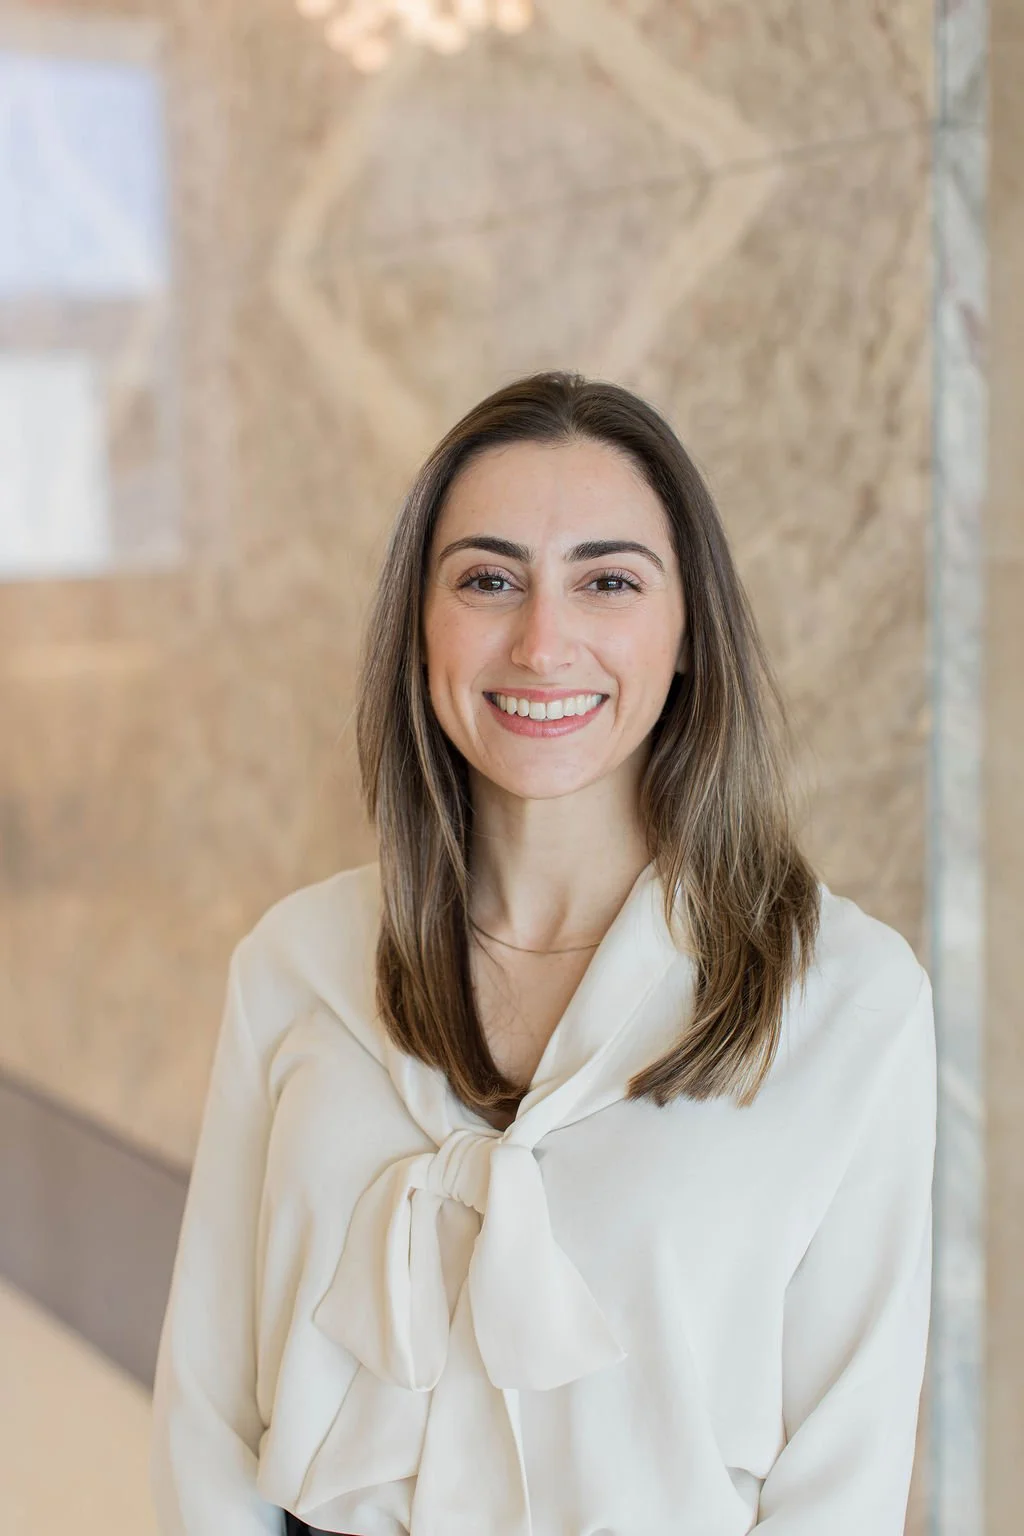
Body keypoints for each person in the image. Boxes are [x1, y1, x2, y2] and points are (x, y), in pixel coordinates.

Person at [150, 371, 936, 1536]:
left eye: (607, 581)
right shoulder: (295, 964)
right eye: (487, 579)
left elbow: (844, 1470)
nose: (542, 639)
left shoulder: (846, 999)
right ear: (422, 630)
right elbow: (207, 1415)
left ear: (684, 636)